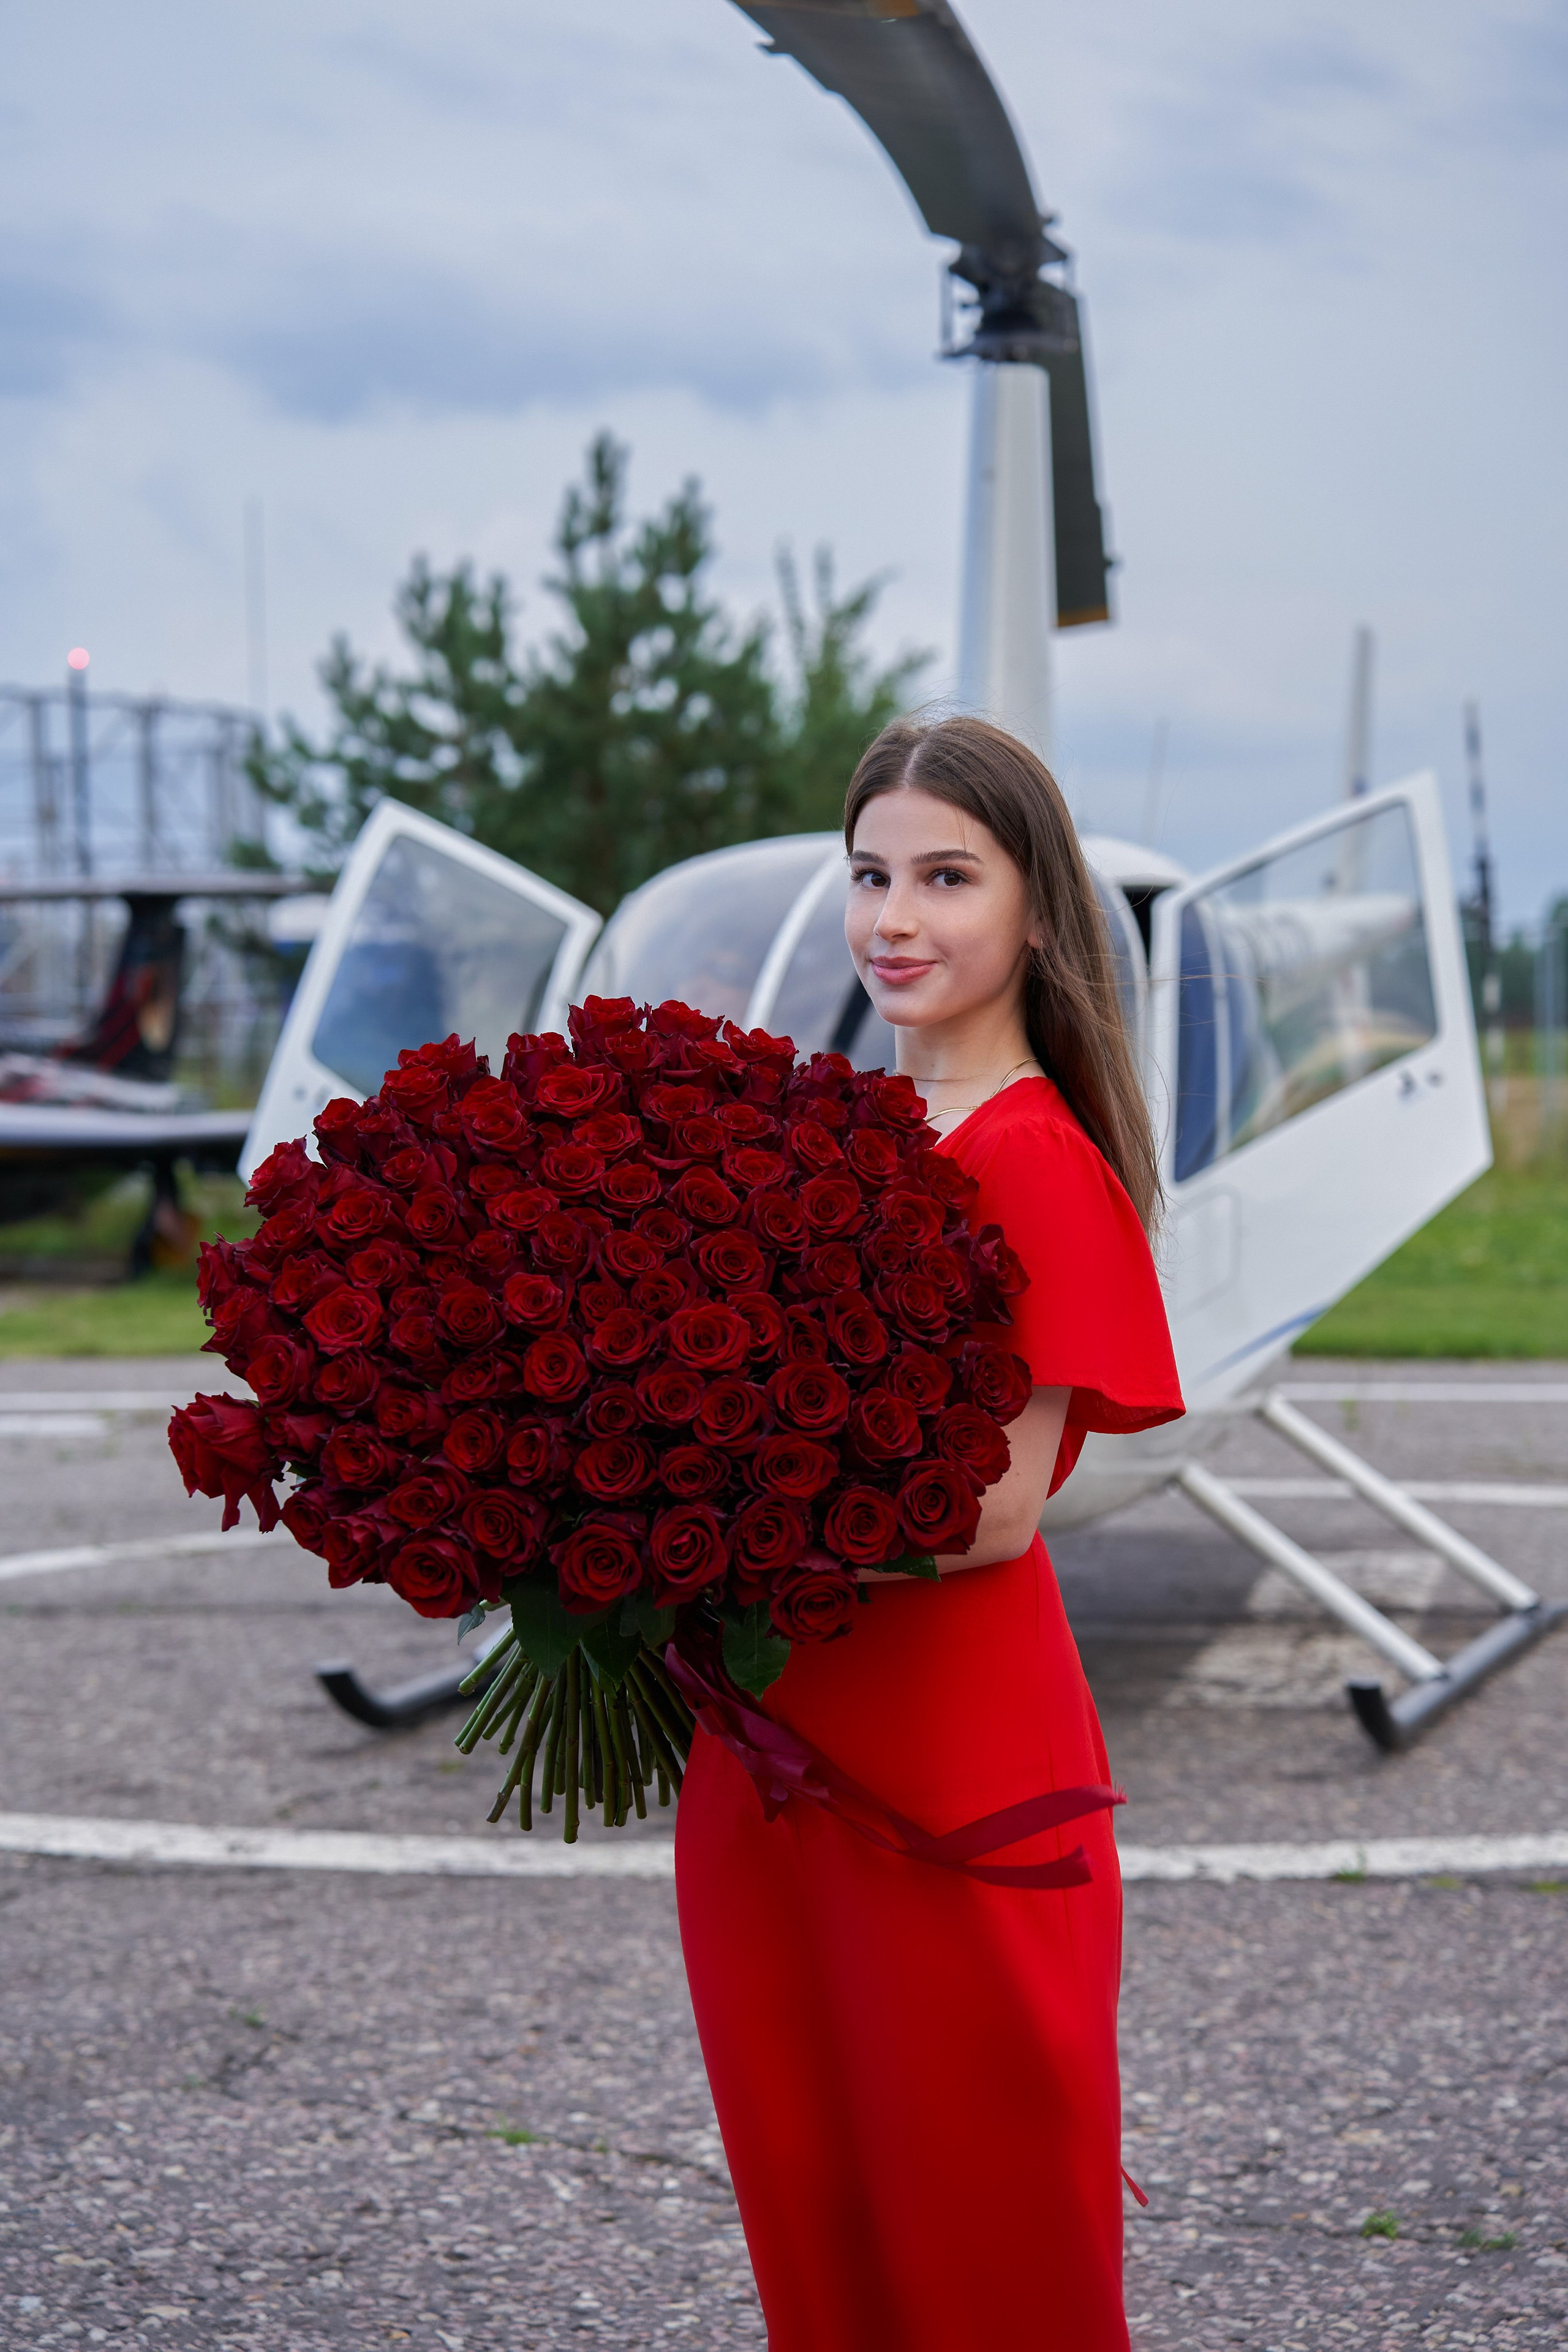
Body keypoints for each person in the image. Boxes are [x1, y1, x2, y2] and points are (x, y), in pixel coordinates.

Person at [676, 714, 1184, 2350]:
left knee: (985, 2238)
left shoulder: (1037, 1162)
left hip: (950, 1778)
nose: (894, 918)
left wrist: (684, 1510)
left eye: (947, 878)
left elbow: (990, 1507)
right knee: (824, 2220)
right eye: (871, 875)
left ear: (1039, 913)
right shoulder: (848, 1143)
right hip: (778, 1759)